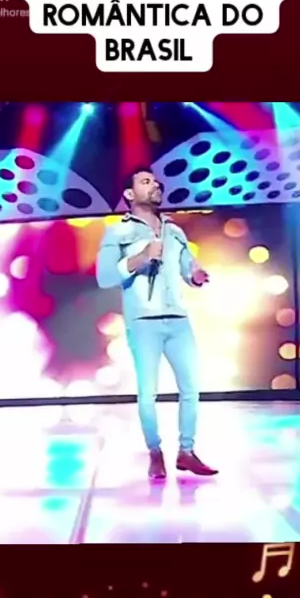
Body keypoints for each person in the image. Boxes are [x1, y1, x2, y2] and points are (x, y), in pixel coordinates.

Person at [96, 166, 218, 480]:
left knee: (191, 388)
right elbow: (105, 277)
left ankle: (186, 452)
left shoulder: (174, 231)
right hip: (143, 321)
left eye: (156, 182)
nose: (155, 185)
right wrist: (141, 258)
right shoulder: (118, 232)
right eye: (146, 181)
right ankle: (155, 452)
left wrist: (195, 274)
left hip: (178, 319)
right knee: (148, 392)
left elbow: (188, 267)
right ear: (129, 193)